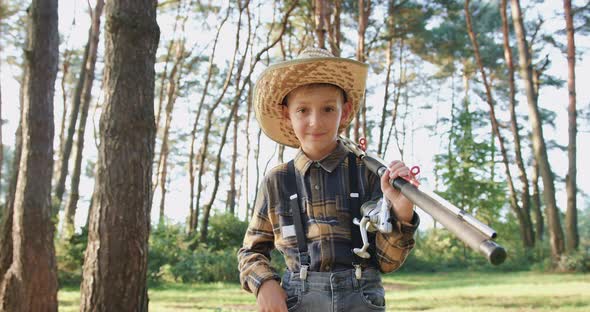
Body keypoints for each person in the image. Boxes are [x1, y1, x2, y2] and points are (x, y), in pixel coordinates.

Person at [237, 47, 419, 312]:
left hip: (362, 299)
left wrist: (402, 211)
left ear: (343, 113)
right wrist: (264, 283)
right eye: (302, 110)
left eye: (327, 109)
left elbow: (388, 262)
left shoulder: (370, 174)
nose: (315, 121)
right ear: (287, 114)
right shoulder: (277, 181)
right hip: (297, 300)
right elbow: (250, 251)